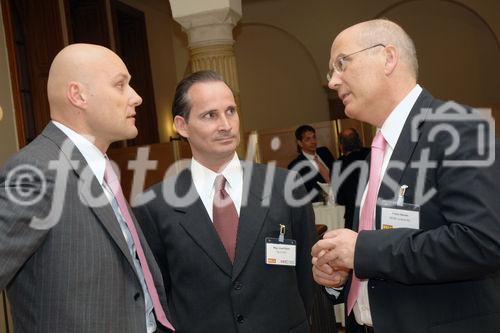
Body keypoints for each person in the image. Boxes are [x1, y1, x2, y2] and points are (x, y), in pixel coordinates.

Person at [311, 19, 500, 333]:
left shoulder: (457, 128)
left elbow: (482, 241)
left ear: (388, 58)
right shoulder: (381, 147)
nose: (332, 81)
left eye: (341, 63)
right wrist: (342, 275)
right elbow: (383, 251)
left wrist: (362, 251)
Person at [0, 44, 174, 332]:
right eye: (121, 85)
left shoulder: (98, 167)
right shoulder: (38, 171)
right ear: (78, 96)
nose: (137, 97)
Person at [133, 70, 316, 333]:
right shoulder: (154, 206)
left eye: (231, 111)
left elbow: (305, 278)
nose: (226, 125)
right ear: (182, 126)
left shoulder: (285, 186)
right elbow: (160, 294)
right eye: (210, 115)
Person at [288, 125, 336, 203]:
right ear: (300, 143)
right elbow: (300, 193)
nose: (313, 142)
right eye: (308, 139)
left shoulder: (325, 152)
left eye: (314, 137)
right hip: (319, 206)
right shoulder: (295, 166)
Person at [334, 128, 370, 230]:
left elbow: (339, 198)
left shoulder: (338, 164)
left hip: (353, 215)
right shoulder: (371, 154)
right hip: (373, 211)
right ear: (359, 140)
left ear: (341, 146)